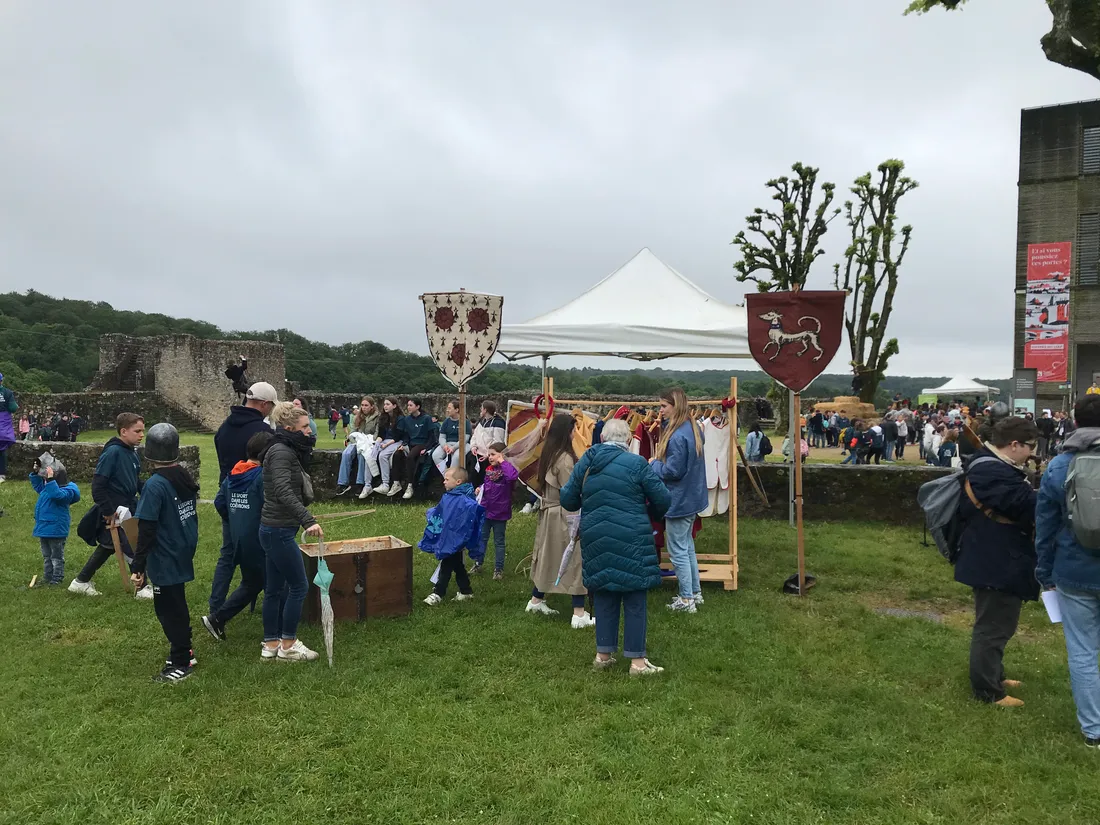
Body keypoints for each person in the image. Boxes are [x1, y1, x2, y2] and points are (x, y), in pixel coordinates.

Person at [561, 418, 671, 675]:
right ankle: (637, 662)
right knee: (634, 597)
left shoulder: (587, 461)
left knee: (603, 592)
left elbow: (567, 498)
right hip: (632, 535)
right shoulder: (637, 463)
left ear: (601, 439)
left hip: (596, 533)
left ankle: (603, 655)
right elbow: (663, 499)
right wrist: (650, 512)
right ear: (630, 440)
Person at [953, 416, 1040, 707]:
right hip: (994, 558)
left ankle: (994, 675)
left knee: (999, 623)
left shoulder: (993, 465)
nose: (1032, 453)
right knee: (992, 627)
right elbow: (1027, 506)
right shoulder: (992, 470)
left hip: (994, 555)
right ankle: (988, 691)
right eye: (1030, 446)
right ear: (1013, 444)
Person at [1036, 394, 1100, 747]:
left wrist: (1045, 571)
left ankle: (1094, 729)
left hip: (1074, 569)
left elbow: (1044, 525)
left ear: (1074, 421)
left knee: (1083, 650)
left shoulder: (1060, 465)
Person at [130, 423, 200, 683]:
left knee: (169, 609)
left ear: (148, 453)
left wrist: (138, 565)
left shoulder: (155, 485)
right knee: (176, 602)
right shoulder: (182, 475)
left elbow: (146, 527)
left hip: (165, 552)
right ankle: (182, 650)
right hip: (182, 547)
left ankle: (182, 660)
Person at [259, 402, 323, 662]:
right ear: (289, 428)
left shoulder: (284, 449)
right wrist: (308, 521)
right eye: (305, 427)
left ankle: (271, 644)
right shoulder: (282, 452)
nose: (309, 431)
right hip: (279, 531)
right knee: (299, 586)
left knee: (274, 588)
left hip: (274, 529)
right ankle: (288, 644)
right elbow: (285, 492)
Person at [209, 381, 279, 616]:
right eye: (270, 406)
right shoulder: (263, 433)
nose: (270, 410)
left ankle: (217, 605)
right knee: (263, 554)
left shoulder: (224, 427)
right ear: (263, 404)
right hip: (254, 497)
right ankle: (271, 603)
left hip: (228, 492)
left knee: (228, 554)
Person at [203, 431, 274, 642]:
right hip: (260, 539)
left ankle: (218, 619)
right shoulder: (261, 477)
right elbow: (270, 506)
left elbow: (220, 503)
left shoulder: (233, 474)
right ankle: (276, 634)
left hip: (240, 540)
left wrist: (235, 521)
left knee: (252, 583)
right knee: (276, 582)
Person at [525, 414, 594, 628]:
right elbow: (570, 490)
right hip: (564, 514)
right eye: (573, 429)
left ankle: (536, 600)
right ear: (566, 431)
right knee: (574, 559)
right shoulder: (564, 458)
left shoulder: (550, 452)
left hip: (551, 513)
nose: (576, 433)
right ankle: (579, 612)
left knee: (549, 557)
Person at [69, 413, 148, 598]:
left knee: (109, 545)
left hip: (128, 506)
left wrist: (151, 492)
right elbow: (98, 485)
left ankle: (81, 581)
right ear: (123, 431)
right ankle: (142, 587)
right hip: (116, 509)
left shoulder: (131, 452)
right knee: (131, 544)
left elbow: (134, 481)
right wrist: (108, 511)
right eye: (137, 431)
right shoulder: (113, 452)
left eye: (142, 431)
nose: (141, 435)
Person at [649, 387, 708, 614]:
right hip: (692, 497)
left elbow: (673, 471)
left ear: (676, 405)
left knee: (678, 550)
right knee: (687, 546)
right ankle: (695, 593)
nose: (660, 410)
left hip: (679, 500)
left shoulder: (677, 436)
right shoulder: (692, 428)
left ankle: (686, 600)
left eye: (664, 406)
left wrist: (653, 463)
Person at [420, 467, 485, 606]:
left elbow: (470, 514)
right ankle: (466, 591)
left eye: (447, 479)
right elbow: (442, 512)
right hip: (448, 537)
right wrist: (432, 513)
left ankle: (438, 593)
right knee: (457, 564)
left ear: (458, 482)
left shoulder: (465, 500)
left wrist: (462, 535)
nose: (443, 482)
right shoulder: (448, 496)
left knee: (447, 564)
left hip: (456, 538)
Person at [29, 459, 80, 586]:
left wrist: (51, 481)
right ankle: (47, 577)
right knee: (47, 556)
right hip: (44, 528)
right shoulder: (47, 488)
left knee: (56, 557)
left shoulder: (68, 490)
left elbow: (57, 496)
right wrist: (35, 473)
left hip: (56, 529)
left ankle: (57, 578)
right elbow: (38, 486)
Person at [476, 442, 519, 580]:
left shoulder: (507, 471)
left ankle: (498, 569)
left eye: (493, 454)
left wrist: (502, 462)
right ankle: (478, 563)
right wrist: (480, 488)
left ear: (502, 455)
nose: (490, 457)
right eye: (489, 454)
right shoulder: (489, 469)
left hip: (500, 513)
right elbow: (488, 485)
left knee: (499, 541)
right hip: (486, 510)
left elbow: (512, 478)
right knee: (482, 538)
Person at [335, 396, 379, 496]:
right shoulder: (357, 417)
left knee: (362, 454)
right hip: (357, 441)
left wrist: (369, 439)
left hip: (369, 442)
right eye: (362, 405)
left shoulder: (377, 417)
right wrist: (351, 439)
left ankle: (360, 483)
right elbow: (354, 431)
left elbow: (377, 433)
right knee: (346, 453)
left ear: (372, 406)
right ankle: (342, 483)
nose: (364, 407)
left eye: (366, 405)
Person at [396, 398, 436, 500]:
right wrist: (404, 444)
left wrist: (427, 448)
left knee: (410, 457)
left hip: (422, 444)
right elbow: (406, 436)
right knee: (397, 454)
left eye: (411, 405)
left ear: (417, 407)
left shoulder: (426, 418)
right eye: (408, 405)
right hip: (410, 444)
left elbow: (432, 436)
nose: (408, 407)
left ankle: (410, 485)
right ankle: (395, 483)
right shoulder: (407, 420)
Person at [370, 398, 406, 497]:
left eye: (388, 404)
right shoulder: (384, 417)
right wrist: (377, 442)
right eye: (384, 404)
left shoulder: (400, 418)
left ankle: (385, 483)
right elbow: (381, 434)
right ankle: (369, 483)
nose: (385, 406)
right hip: (386, 441)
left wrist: (386, 445)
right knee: (372, 453)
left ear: (394, 406)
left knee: (382, 455)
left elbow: (398, 436)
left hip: (397, 441)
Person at [469, 401, 507, 486]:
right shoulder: (481, 421)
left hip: (488, 459)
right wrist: (473, 447)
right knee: (474, 477)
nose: (480, 410)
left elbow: (498, 441)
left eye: (481, 408)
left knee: (485, 480)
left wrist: (488, 455)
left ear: (485, 410)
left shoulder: (498, 423)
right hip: (477, 455)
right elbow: (475, 435)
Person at [432, 399, 472, 477]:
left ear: (457, 410)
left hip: (462, 444)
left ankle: (453, 478)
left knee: (456, 456)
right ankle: (447, 476)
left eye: (449, 408)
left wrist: (454, 448)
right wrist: (444, 446)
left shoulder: (465, 422)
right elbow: (442, 437)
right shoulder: (446, 422)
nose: (447, 410)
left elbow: (465, 438)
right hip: (447, 443)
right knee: (435, 455)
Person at [0, 372, 16, 482]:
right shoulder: (7, 392)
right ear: (2, 381)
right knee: (2, 449)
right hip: (3, 423)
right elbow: (12, 408)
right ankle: (1, 474)